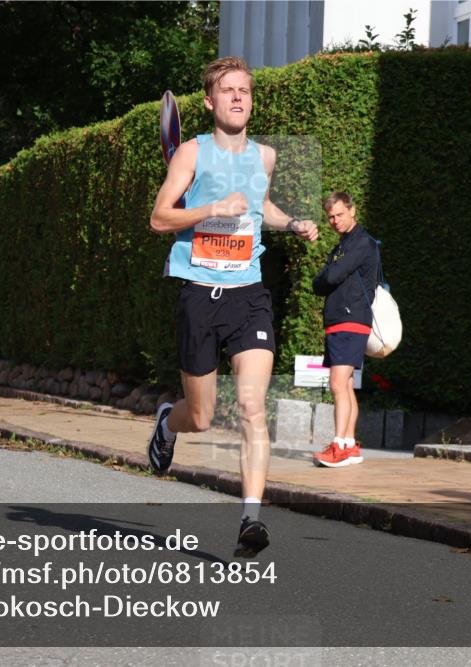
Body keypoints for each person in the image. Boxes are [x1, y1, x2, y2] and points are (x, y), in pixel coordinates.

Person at [147, 56, 318, 557]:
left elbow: (259, 206)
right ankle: (165, 423)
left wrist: (291, 225)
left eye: (245, 90)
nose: (239, 97)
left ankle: (251, 520)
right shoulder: (191, 154)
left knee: (250, 406)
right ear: (209, 101)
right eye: (228, 90)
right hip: (199, 292)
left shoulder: (264, 157)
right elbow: (160, 218)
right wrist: (212, 209)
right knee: (199, 417)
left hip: (248, 294)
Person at [310, 192, 379, 468]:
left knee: (338, 384)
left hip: (351, 319)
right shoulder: (344, 244)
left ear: (353, 210)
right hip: (342, 320)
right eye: (330, 217)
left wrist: (328, 274)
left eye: (339, 214)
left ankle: (339, 445)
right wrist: (327, 275)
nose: (335, 221)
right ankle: (349, 445)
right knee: (347, 385)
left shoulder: (362, 243)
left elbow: (332, 276)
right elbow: (319, 284)